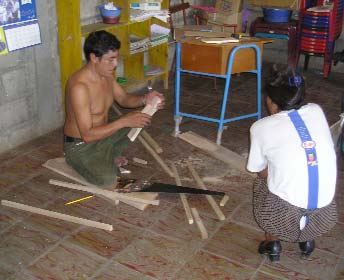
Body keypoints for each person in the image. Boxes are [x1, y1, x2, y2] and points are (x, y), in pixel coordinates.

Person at [247, 68, 337, 262]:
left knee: (262, 184)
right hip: (325, 214)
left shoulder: (261, 127)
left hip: (284, 217)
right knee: (309, 173)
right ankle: (307, 240)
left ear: (270, 101)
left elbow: (258, 170)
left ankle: (272, 243)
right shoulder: (316, 110)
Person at [63, 30, 165, 188]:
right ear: (94, 58)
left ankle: (107, 154)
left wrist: (146, 99)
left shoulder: (106, 74)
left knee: (141, 119)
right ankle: (83, 160)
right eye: (110, 59)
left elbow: (124, 99)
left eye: (116, 58)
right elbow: (88, 135)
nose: (115, 64)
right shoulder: (79, 87)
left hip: (102, 134)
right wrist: (124, 121)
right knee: (109, 181)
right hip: (81, 145)